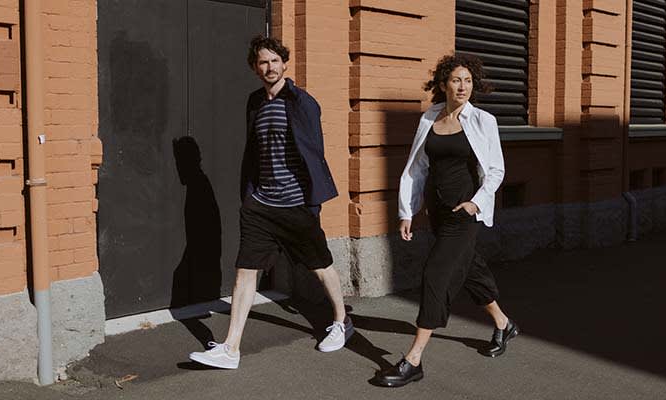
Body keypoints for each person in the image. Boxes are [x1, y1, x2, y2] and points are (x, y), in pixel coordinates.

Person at [189, 35, 353, 369]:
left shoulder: (302, 101)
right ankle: (231, 348)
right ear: (255, 68)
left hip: (295, 204)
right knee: (244, 273)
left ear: (284, 63)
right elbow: (254, 151)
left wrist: (312, 203)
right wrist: (250, 196)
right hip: (260, 205)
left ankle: (341, 321)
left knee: (320, 266)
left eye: (275, 60)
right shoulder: (255, 103)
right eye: (263, 62)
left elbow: (313, 152)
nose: (269, 67)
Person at [374, 54, 519, 387]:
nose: (463, 86)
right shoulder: (429, 118)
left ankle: (413, 360)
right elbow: (416, 168)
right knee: (471, 271)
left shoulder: (484, 121)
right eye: (456, 80)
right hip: (437, 213)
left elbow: (496, 170)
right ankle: (503, 323)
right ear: (443, 84)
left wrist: (476, 203)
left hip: (464, 216)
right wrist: (406, 211)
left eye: (468, 80)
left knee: (436, 275)